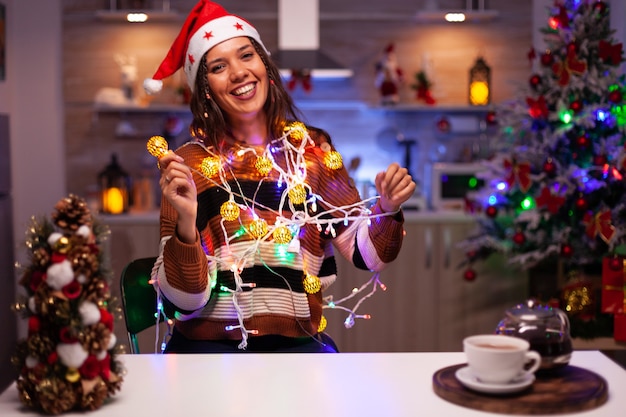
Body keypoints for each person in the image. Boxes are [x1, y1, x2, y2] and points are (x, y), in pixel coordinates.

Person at [143, 0, 416, 353]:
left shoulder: (312, 151)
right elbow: (186, 301)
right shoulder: (190, 165)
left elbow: (368, 256)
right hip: (208, 351)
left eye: (246, 56)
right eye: (219, 66)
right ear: (205, 88)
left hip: (296, 344)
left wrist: (388, 207)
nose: (239, 72)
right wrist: (186, 222)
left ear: (265, 66)